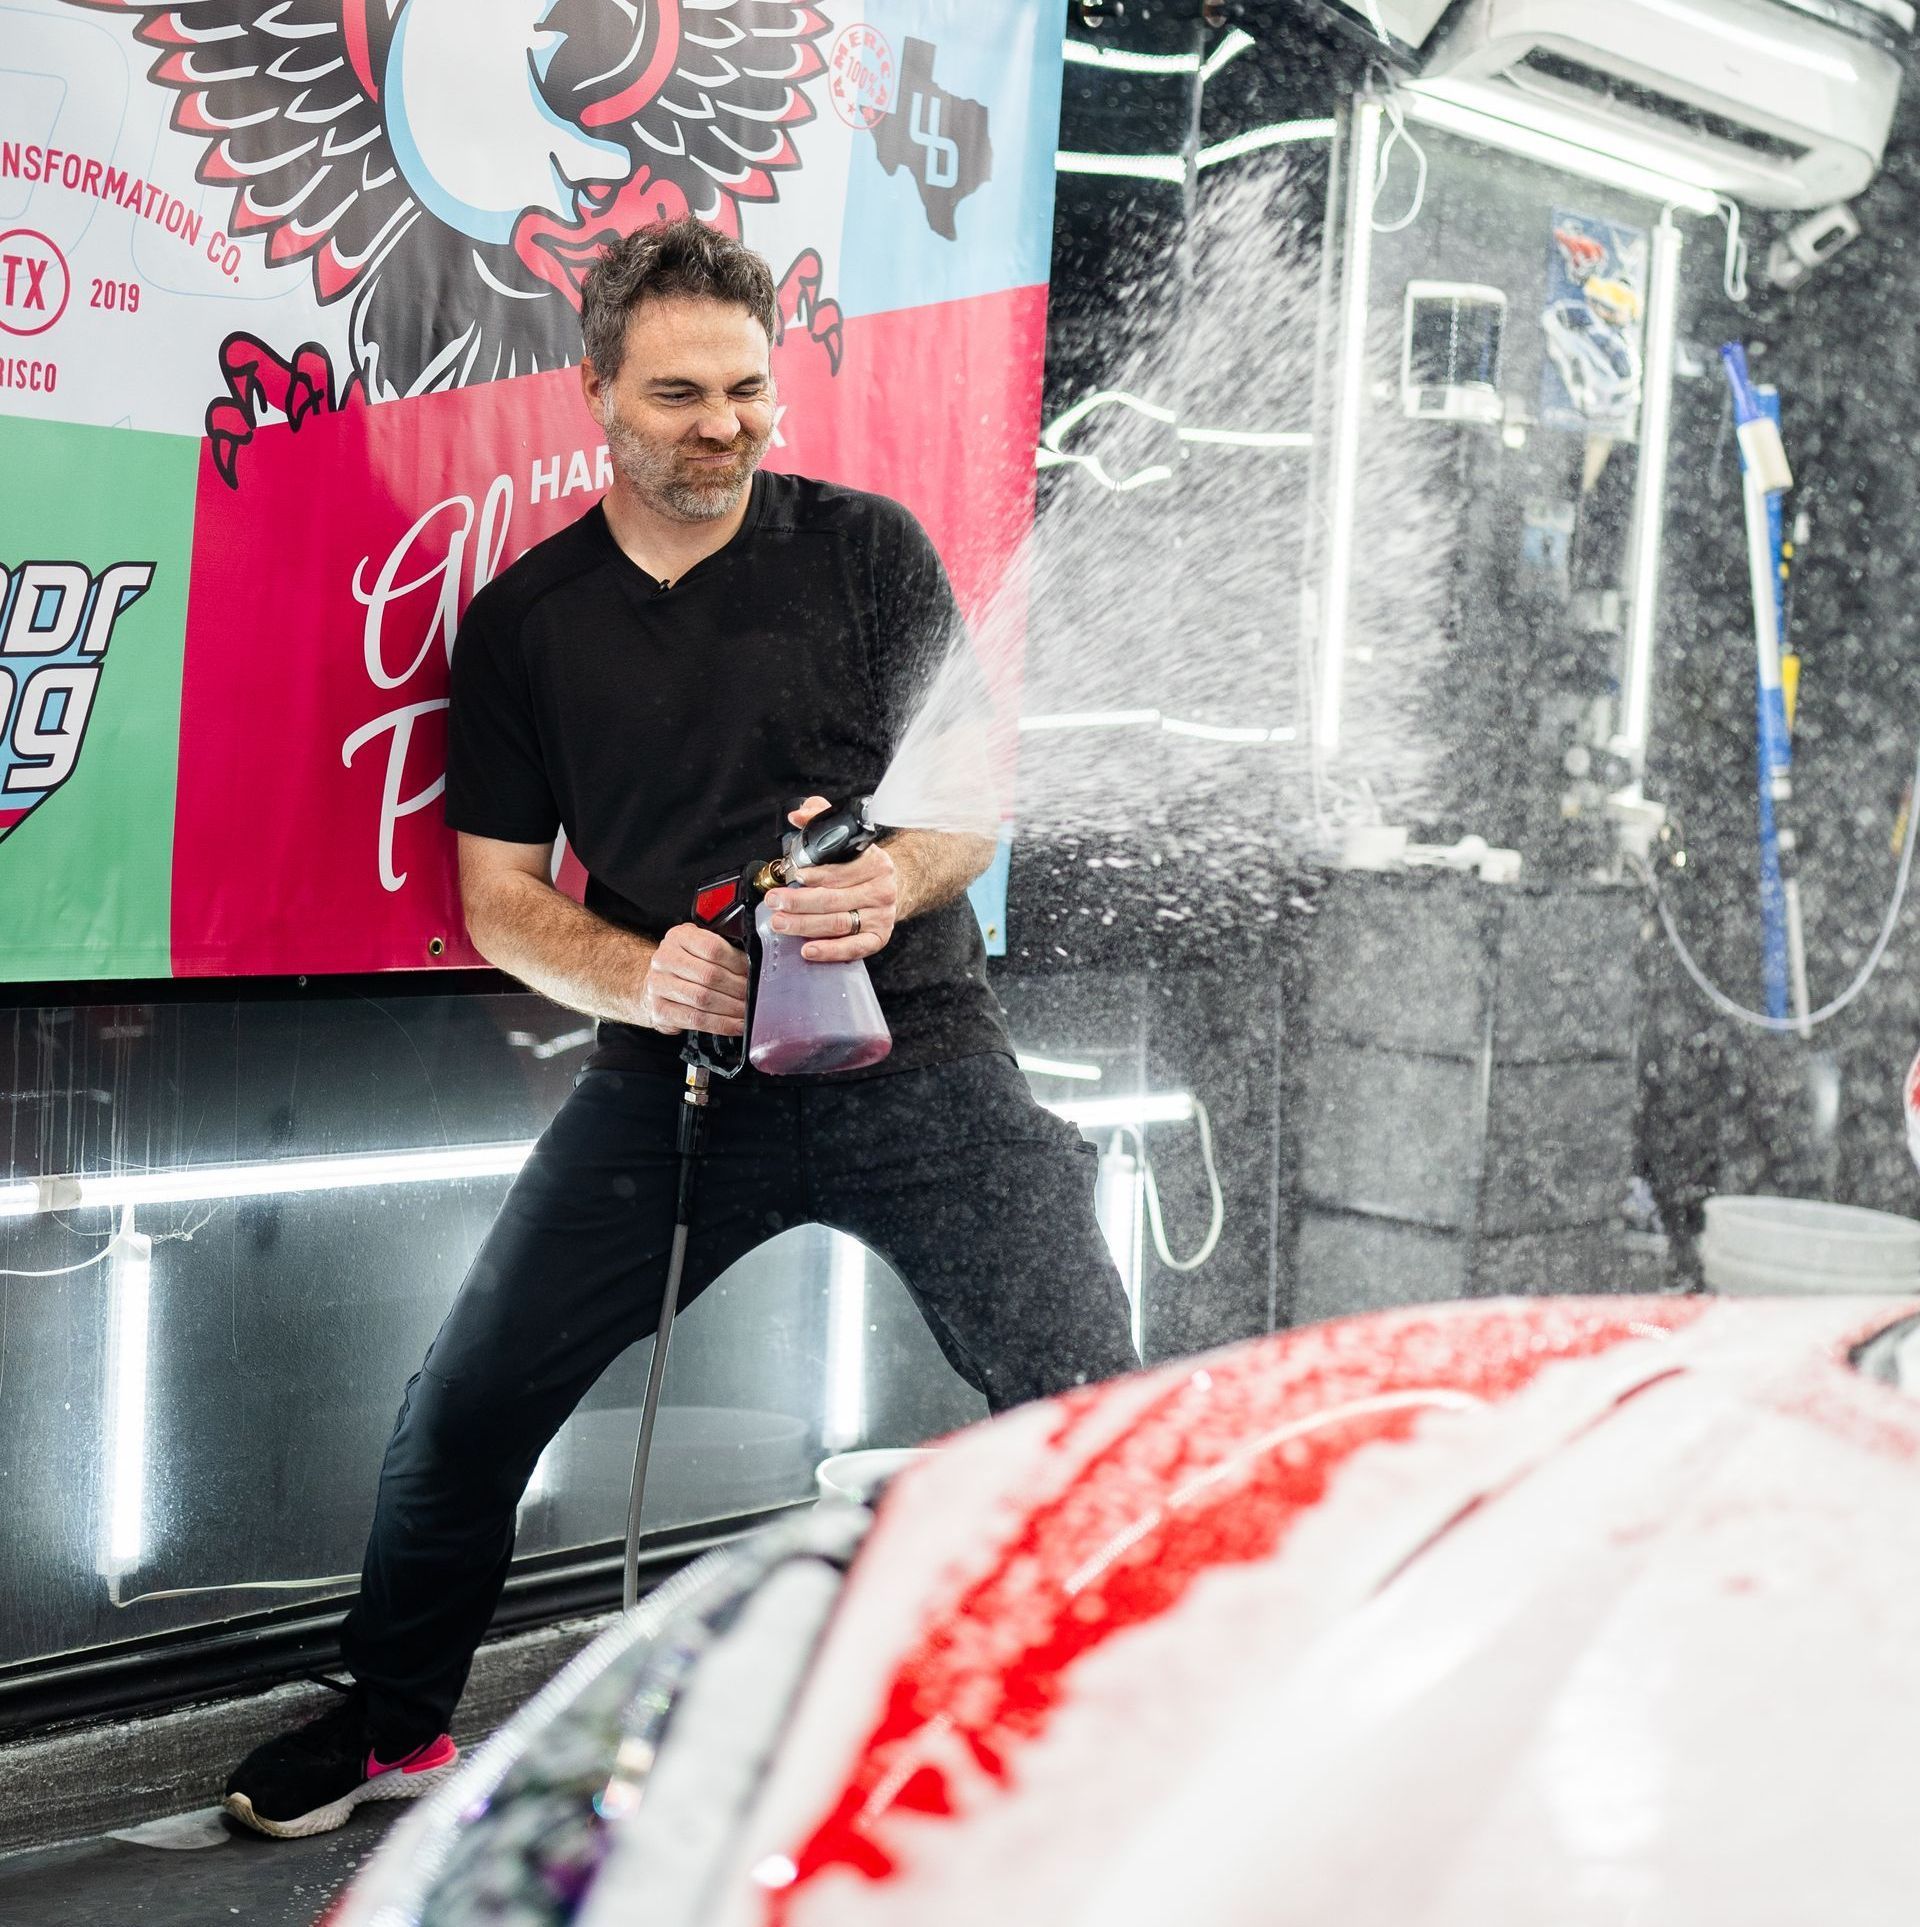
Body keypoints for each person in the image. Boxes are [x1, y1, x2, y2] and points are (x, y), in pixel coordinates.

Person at [222, 217, 1140, 1839]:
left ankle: (1137, 1699)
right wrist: (636, 978)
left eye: (744, 389)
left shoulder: (867, 551)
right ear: (594, 395)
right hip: (675, 1077)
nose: (720, 423)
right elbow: (500, 895)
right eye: (676, 394)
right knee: (470, 1394)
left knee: (1080, 1378)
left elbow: (972, 801)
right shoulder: (525, 625)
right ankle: (391, 1720)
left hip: (916, 1045)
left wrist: (893, 881)